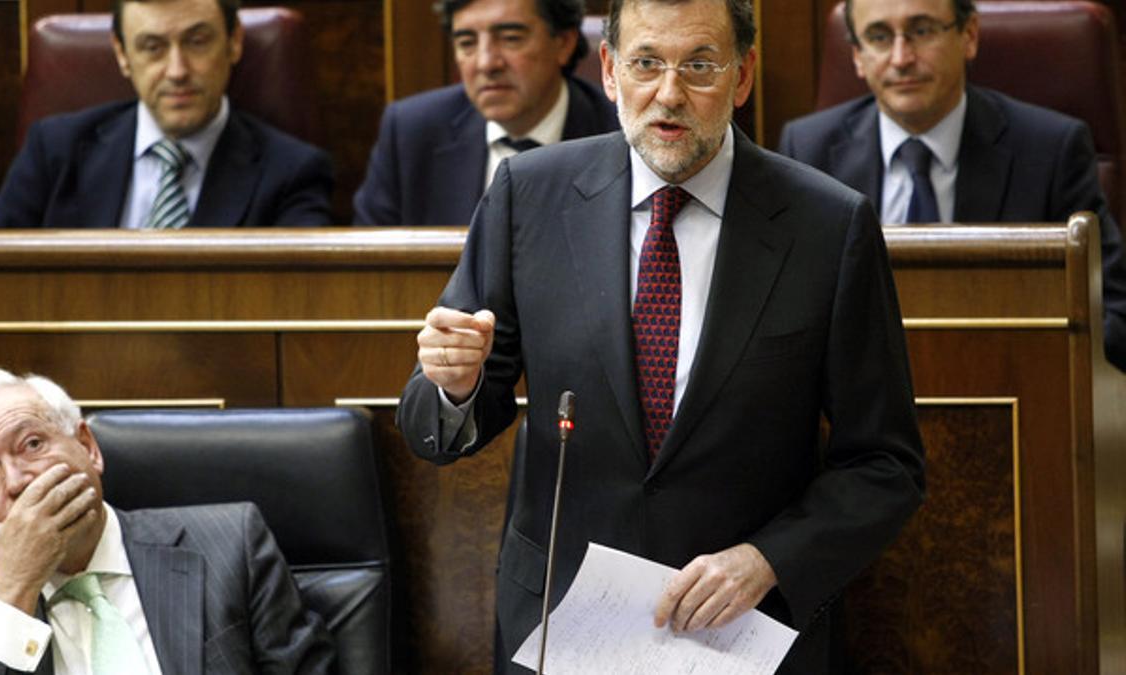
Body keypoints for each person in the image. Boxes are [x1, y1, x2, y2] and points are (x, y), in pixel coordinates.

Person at [395, 0, 926, 672]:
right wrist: (454, 386)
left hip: (746, 630)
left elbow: (885, 463)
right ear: (611, 71)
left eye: (699, 65)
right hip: (564, 627)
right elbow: (437, 421)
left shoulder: (828, 225)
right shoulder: (528, 196)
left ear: (743, 76)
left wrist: (768, 560)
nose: (668, 93)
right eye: (647, 63)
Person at [777, 0, 1126, 371]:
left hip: (1010, 396)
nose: (901, 58)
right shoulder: (809, 151)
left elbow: (1113, 313)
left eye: (922, 30)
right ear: (858, 56)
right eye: (879, 37)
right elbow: (787, 311)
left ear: (969, 35)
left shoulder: (1051, 151)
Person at [0, 368, 335, 673]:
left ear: (89, 448)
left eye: (32, 444)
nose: (15, 482)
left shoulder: (230, 546)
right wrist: (15, 587)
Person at [0, 0, 334, 229]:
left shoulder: (292, 174)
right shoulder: (54, 151)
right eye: (153, 47)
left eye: (197, 41)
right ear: (121, 54)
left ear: (234, 42)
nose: (177, 70)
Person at [351, 0, 619, 225]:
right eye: (467, 43)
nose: (486, 63)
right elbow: (371, 269)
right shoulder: (411, 132)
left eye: (511, 39)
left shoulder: (618, 133)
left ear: (564, 43)